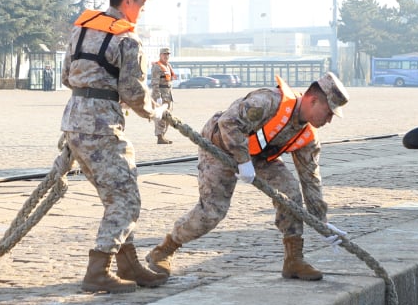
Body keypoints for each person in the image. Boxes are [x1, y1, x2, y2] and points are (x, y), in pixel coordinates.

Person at [145, 72, 349, 282]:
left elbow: (311, 179)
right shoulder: (267, 101)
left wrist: (321, 221)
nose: (329, 120)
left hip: (257, 155)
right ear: (313, 100)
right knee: (212, 212)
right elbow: (228, 123)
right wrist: (243, 161)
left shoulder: (308, 137)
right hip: (220, 145)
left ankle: (294, 260)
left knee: (290, 193)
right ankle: (163, 251)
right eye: (329, 112)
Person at [60, 0, 168, 293]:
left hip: (74, 122)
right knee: (126, 200)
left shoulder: (81, 29)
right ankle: (98, 271)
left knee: (115, 196)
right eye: (141, 4)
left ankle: (128, 264)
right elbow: (133, 92)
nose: (142, 11)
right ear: (128, 1)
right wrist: (155, 112)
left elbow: (66, 76)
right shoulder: (127, 39)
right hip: (102, 128)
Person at [149, 46, 176, 145]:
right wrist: (158, 97)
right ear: (160, 55)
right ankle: (159, 137)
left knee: (168, 117)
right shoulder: (157, 66)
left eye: (167, 54)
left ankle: (163, 135)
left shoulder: (168, 66)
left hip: (168, 95)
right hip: (160, 95)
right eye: (164, 54)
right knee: (160, 117)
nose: (166, 56)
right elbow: (154, 83)